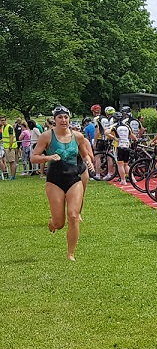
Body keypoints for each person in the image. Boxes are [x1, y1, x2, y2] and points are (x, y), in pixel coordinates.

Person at [30, 106, 96, 260]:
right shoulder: (47, 136)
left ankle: (71, 254)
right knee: (59, 223)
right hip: (54, 181)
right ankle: (53, 222)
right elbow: (34, 157)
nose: (64, 120)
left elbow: (85, 155)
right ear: (55, 119)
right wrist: (47, 158)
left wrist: (88, 162)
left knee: (73, 216)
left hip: (74, 178)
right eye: (60, 117)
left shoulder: (77, 136)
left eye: (66, 117)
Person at [109, 110, 134, 184]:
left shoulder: (114, 126)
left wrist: (114, 138)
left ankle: (123, 180)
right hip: (127, 145)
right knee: (126, 164)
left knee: (120, 164)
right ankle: (132, 178)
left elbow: (106, 132)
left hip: (118, 146)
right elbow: (133, 136)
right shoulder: (126, 126)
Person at [0, 115, 17, 180]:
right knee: (10, 162)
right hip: (6, 147)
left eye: (3, 120)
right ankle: (11, 175)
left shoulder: (9, 127)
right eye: (1, 120)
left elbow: (11, 137)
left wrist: (10, 146)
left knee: (12, 161)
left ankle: (13, 176)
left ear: (5, 120)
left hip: (10, 147)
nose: (2, 122)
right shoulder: (3, 127)